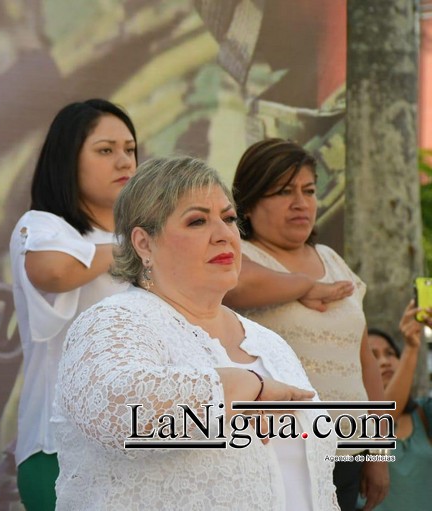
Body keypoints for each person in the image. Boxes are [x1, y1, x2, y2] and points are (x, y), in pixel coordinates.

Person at [53, 157, 339, 509]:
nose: (223, 235)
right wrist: (240, 386)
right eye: (197, 221)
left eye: (229, 218)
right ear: (143, 243)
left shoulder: (268, 343)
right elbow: (114, 411)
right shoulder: (114, 321)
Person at [224, 138, 388, 511]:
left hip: (349, 448)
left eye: (309, 190)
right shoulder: (237, 255)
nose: (301, 203)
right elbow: (238, 285)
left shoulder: (331, 259)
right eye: (283, 191)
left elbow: (364, 363)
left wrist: (379, 449)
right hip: (280, 450)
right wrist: (305, 286)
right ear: (247, 205)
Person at [9, 99, 136, 510]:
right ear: (67, 161)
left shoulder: (142, 236)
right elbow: (55, 272)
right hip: (60, 449)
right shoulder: (45, 226)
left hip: (138, 442)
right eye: (105, 150)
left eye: (130, 149)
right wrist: (139, 249)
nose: (124, 161)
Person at [366, 301, 432, 511]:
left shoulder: (424, 412)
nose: (385, 361)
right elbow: (382, 419)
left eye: (390, 353)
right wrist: (412, 348)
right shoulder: (351, 421)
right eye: (373, 357)